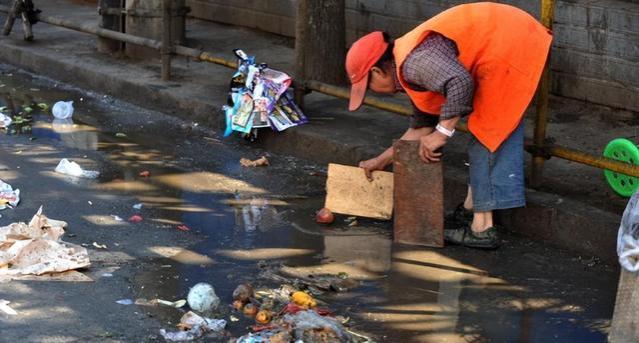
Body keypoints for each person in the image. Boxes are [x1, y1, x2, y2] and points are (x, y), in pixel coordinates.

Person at [345, 3, 552, 249]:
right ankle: (470, 210)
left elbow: (460, 82)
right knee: (484, 128)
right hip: (504, 38)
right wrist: (381, 161)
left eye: (367, 87)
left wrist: (442, 133)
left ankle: (482, 229)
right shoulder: (407, 68)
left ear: (378, 71)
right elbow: (420, 129)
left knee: (489, 131)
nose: (371, 93)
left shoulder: (414, 64)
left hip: (511, 41)